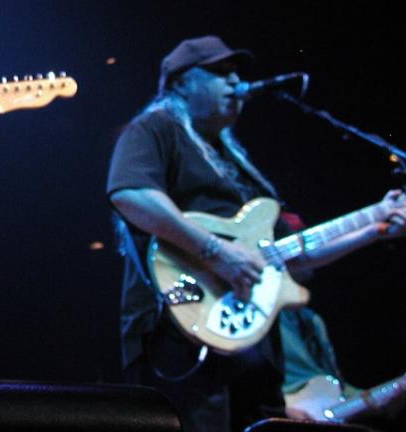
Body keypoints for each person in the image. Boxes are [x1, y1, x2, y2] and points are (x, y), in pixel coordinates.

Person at [106, 35, 404, 432]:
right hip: (179, 324)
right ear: (181, 83)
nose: (235, 83)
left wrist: (375, 226)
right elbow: (132, 195)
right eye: (219, 73)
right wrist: (217, 252)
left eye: (236, 73)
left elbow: (291, 256)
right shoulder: (155, 128)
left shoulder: (237, 163)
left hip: (251, 336)